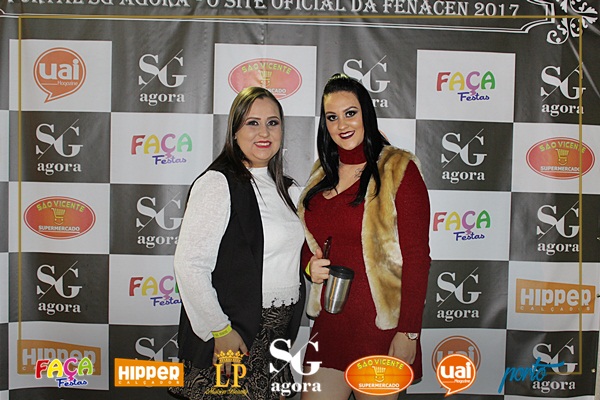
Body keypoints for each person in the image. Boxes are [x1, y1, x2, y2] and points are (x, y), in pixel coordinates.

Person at [298, 73, 431, 399]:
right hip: (330, 325)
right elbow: (310, 242)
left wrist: (409, 333)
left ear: (366, 114)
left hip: (379, 328)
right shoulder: (321, 172)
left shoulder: (398, 168)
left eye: (350, 113)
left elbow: (418, 258)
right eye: (332, 117)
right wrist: (309, 265)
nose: (342, 124)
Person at [169, 86, 306, 400]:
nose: (264, 132)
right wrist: (220, 330)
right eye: (252, 123)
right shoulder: (217, 183)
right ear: (234, 131)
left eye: (272, 123)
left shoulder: (288, 189)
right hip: (233, 337)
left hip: (276, 340)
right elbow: (189, 265)